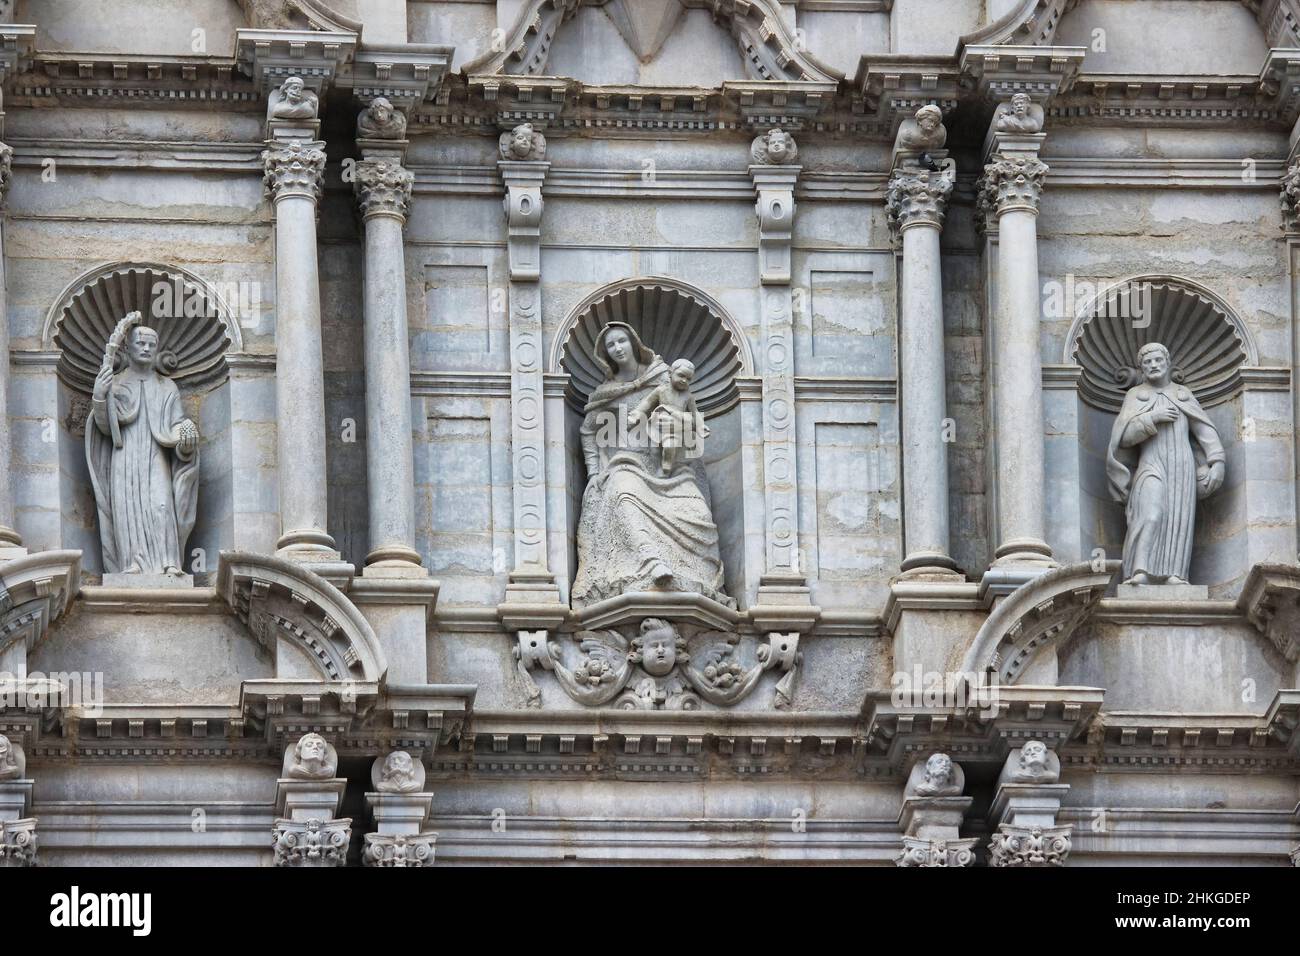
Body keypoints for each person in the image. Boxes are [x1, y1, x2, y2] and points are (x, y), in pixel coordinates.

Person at [572, 323, 731, 608]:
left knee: (697, 510)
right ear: (605, 355)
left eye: (622, 341)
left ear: (634, 342)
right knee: (623, 495)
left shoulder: (664, 379)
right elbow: (588, 432)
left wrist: (681, 427)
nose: (618, 348)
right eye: (611, 345)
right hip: (627, 463)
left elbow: (693, 426)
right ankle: (651, 562)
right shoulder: (605, 392)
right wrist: (595, 471)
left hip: (668, 466)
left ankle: (700, 580)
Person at [86, 315, 199, 576]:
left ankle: (169, 562)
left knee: (161, 505)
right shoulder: (116, 382)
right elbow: (105, 427)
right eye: (141, 343)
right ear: (127, 347)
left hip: (156, 455)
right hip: (124, 454)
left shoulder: (167, 386)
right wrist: (99, 396)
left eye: (151, 344)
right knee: (127, 508)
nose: (147, 348)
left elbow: (176, 424)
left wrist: (186, 435)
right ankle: (132, 563)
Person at [1106, 342, 1225, 585]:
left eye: (1157, 360)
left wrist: (1217, 461)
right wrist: (1152, 418)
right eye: (1147, 362)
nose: (1153, 365)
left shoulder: (1183, 394)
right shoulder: (1136, 395)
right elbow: (1123, 438)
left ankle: (1175, 574)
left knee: (1178, 518)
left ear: (1167, 362)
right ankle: (1139, 571)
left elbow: (1204, 431)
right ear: (1141, 368)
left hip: (1182, 467)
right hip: (1151, 464)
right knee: (1150, 514)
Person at [627, 358, 708, 476]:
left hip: (675, 428)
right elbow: (647, 403)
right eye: (681, 375)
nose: (684, 380)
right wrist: (636, 415)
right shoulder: (661, 390)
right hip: (658, 426)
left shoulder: (688, 397)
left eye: (688, 379)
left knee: (670, 447)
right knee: (654, 451)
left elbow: (695, 413)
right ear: (670, 373)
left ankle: (666, 470)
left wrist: (701, 426)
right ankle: (655, 471)